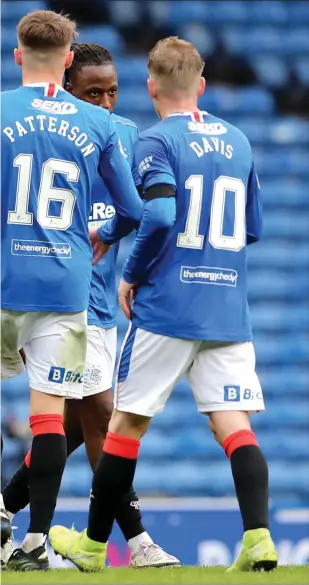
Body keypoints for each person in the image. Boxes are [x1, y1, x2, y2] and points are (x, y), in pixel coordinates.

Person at [49, 36, 279, 572]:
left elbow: (156, 217)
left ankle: (90, 545)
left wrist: (130, 276)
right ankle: (259, 538)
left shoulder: (153, 142)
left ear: (151, 86)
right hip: (227, 309)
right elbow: (254, 228)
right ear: (200, 85)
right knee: (234, 425)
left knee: (125, 427)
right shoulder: (240, 141)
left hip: (169, 307)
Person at [2, 42, 179, 569]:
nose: (104, 103)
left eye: (112, 92)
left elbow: (154, 212)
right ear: (66, 91)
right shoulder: (56, 135)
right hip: (64, 304)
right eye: (92, 92)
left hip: (101, 310)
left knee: (76, 428)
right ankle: (138, 542)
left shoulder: (126, 139)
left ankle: (6, 505)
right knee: (101, 419)